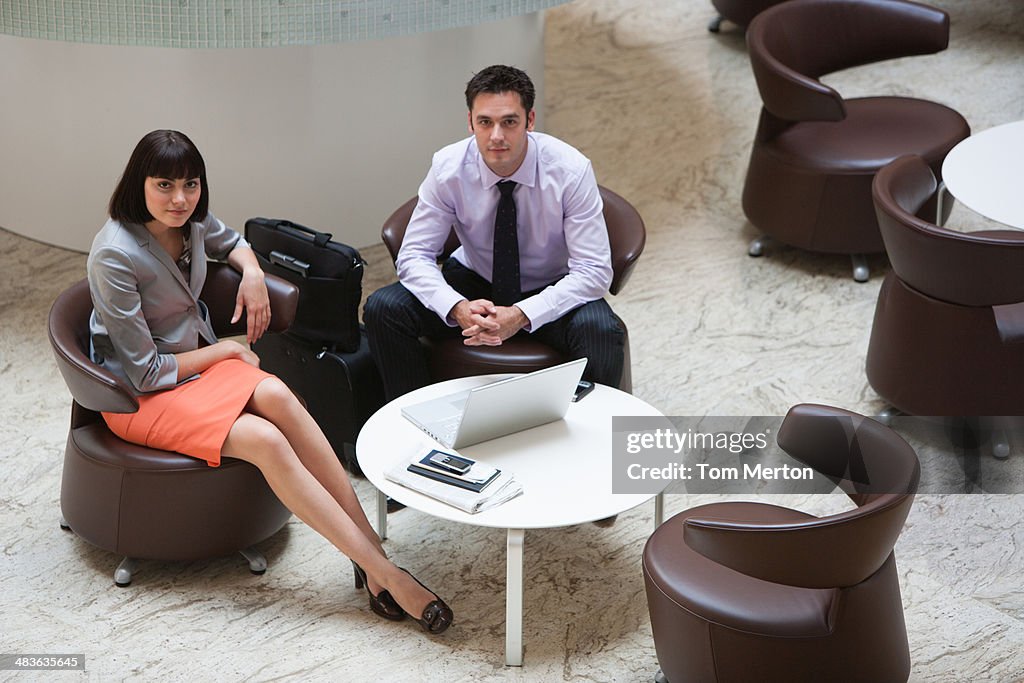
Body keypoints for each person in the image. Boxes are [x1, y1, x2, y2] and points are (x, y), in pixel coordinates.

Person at [87, 129, 452, 634]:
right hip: (138, 395)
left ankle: (370, 557)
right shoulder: (114, 254)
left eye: (191, 185)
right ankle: (387, 574)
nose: (179, 199)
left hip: (193, 371)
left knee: (278, 392)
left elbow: (232, 241)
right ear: (138, 184)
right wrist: (226, 351)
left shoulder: (189, 222)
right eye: (164, 185)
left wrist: (253, 273)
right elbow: (145, 373)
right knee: (263, 438)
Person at [364, 64, 626, 401]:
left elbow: (593, 271)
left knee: (601, 331)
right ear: (470, 121)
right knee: (384, 308)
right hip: (475, 279)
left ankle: (588, 440)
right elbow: (414, 255)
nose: (496, 136)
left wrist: (521, 314)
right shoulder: (448, 168)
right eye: (485, 122)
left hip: (549, 283)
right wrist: (456, 306)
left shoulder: (570, 171)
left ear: (530, 120)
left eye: (509, 122)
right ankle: (418, 423)